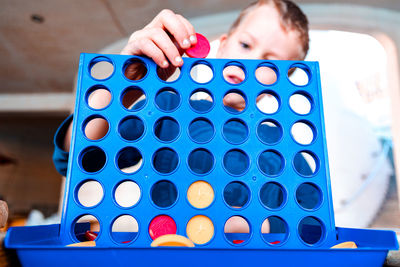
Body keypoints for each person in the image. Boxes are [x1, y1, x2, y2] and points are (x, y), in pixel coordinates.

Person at [53, 0, 314, 236]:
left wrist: (255, 223)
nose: (250, 62)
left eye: (270, 62)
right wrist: (126, 82)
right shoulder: (168, 108)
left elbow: (313, 227)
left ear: (284, 81)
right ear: (222, 46)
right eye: (245, 45)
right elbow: (80, 157)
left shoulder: (288, 150)